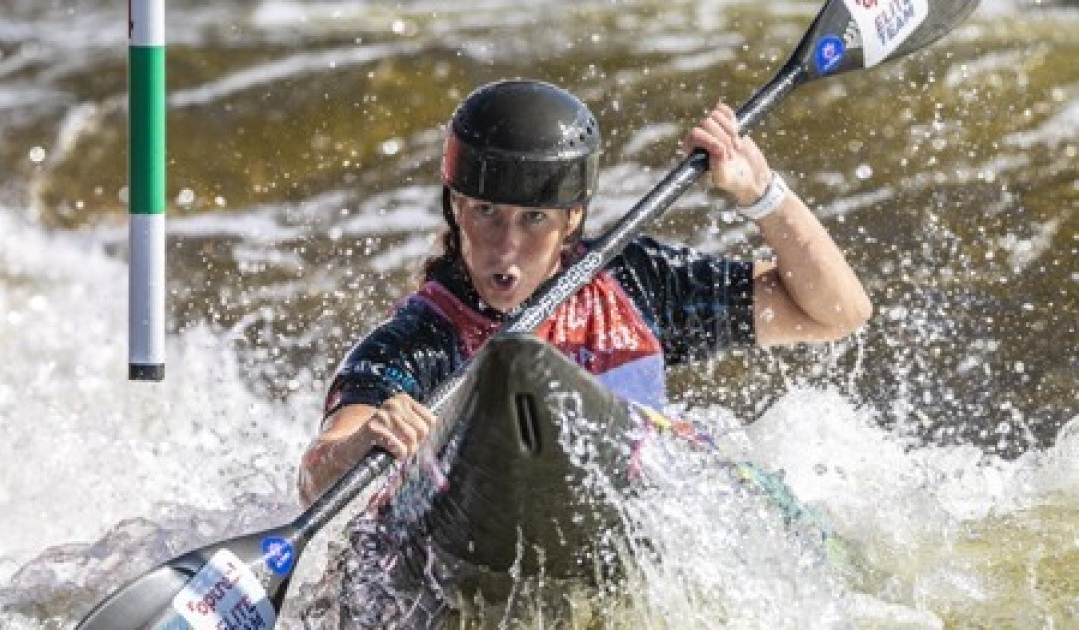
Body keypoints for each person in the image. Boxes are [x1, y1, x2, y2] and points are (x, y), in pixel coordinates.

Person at [298, 79, 872, 507]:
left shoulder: (633, 281)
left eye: (534, 219)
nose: (505, 247)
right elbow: (317, 475)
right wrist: (366, 441)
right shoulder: (418, 338)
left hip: (631, 499)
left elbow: (836, 314)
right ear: (456, 207)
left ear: (572, 218)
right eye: (487, 212)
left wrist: (762, 194)